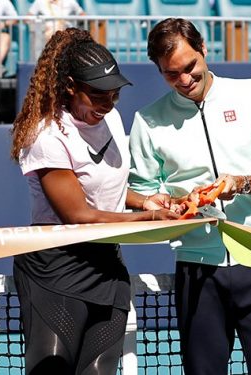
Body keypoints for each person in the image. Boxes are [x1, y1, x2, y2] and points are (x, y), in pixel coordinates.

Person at [129, 18, 251, 374]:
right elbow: (139, 193)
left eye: (190, 67)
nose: (184, 80)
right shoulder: (148, 121)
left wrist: (241, 183)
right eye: (170, 74)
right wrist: (164, 204)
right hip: (196, 271)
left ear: (204, 49)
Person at [10, 28, 179, 374]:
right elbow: (78, 214)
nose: (107, 103)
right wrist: (149, 220)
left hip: (106, 264)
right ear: (71, 86)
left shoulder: (113, 119)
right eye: (98, 94)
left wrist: (144, 202)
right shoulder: (46, 135)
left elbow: (106, 187)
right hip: (54, 266)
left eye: (114, 94)